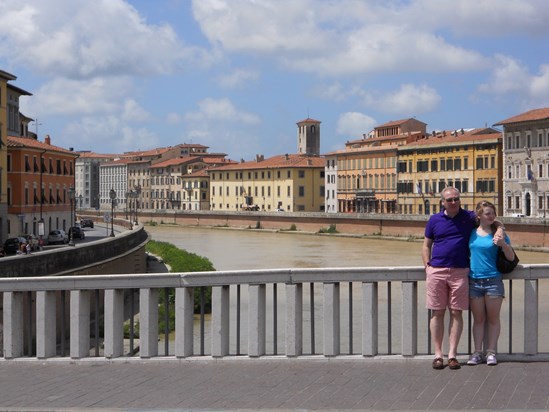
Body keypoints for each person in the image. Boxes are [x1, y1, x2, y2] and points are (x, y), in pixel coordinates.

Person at [422, 187, 504, 370]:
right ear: (442, 202)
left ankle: (452, 355)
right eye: (449, 200)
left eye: (456, 199)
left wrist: (500, 228)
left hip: (460, 272)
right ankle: (438, 355)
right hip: (436, 270)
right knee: (437, 312)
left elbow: (490, 218)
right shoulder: (434, 220)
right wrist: (427, 267)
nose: (453, 202)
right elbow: (426, 245)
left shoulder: (468, 217)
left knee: (456, 312)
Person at [467, 201, 515, 366]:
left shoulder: (498, 234)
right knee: (478, 319)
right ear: (479, 215)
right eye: (488, 213)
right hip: (474, 281)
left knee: (493, 319)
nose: (491, 216)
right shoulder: (471, 233)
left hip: (493, 281)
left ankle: (491, 352)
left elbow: (510, 257)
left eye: (493, 213)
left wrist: (503, 244)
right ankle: (477, 352)